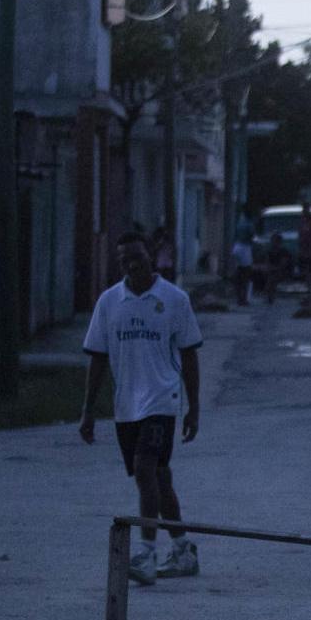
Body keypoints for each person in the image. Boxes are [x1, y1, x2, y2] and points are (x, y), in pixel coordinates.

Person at [80, 231, 203, 584]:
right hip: (126, 407)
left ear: (151, 256)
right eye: (125, 260)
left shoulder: (174, 299)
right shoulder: (109, 302)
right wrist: (88, 410)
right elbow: (99, 358)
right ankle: (182, 549)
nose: (132, 265)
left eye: (138, 257)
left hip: (162, 401)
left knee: (145, 469)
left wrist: (194, 407)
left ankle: (146, 554)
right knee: (158, 478)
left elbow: (189, 355)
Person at [265, 233, 291, 305]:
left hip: (282, 271)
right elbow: (267, 262)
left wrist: (274, 268)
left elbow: (283, 264)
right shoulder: (270, 251)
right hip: (272, 270)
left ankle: (271, 296)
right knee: (270, 279)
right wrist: (270, 268)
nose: (273, 242)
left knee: (272, 279)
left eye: (275, 241)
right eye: (272, 240)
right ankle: (270, 296)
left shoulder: (283, 251)